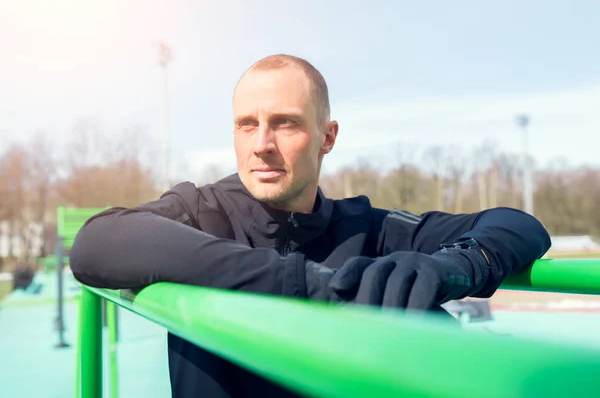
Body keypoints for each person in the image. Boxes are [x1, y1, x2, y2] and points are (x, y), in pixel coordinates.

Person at [70, 54, 551, 398]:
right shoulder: (201, 210)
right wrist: (309, 284)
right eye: (246, 124)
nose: (261, 144)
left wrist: (455, 266)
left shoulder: (366, 228)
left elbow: (518, 225)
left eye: (284, 123)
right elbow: (96, 242)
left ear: (327, 137)